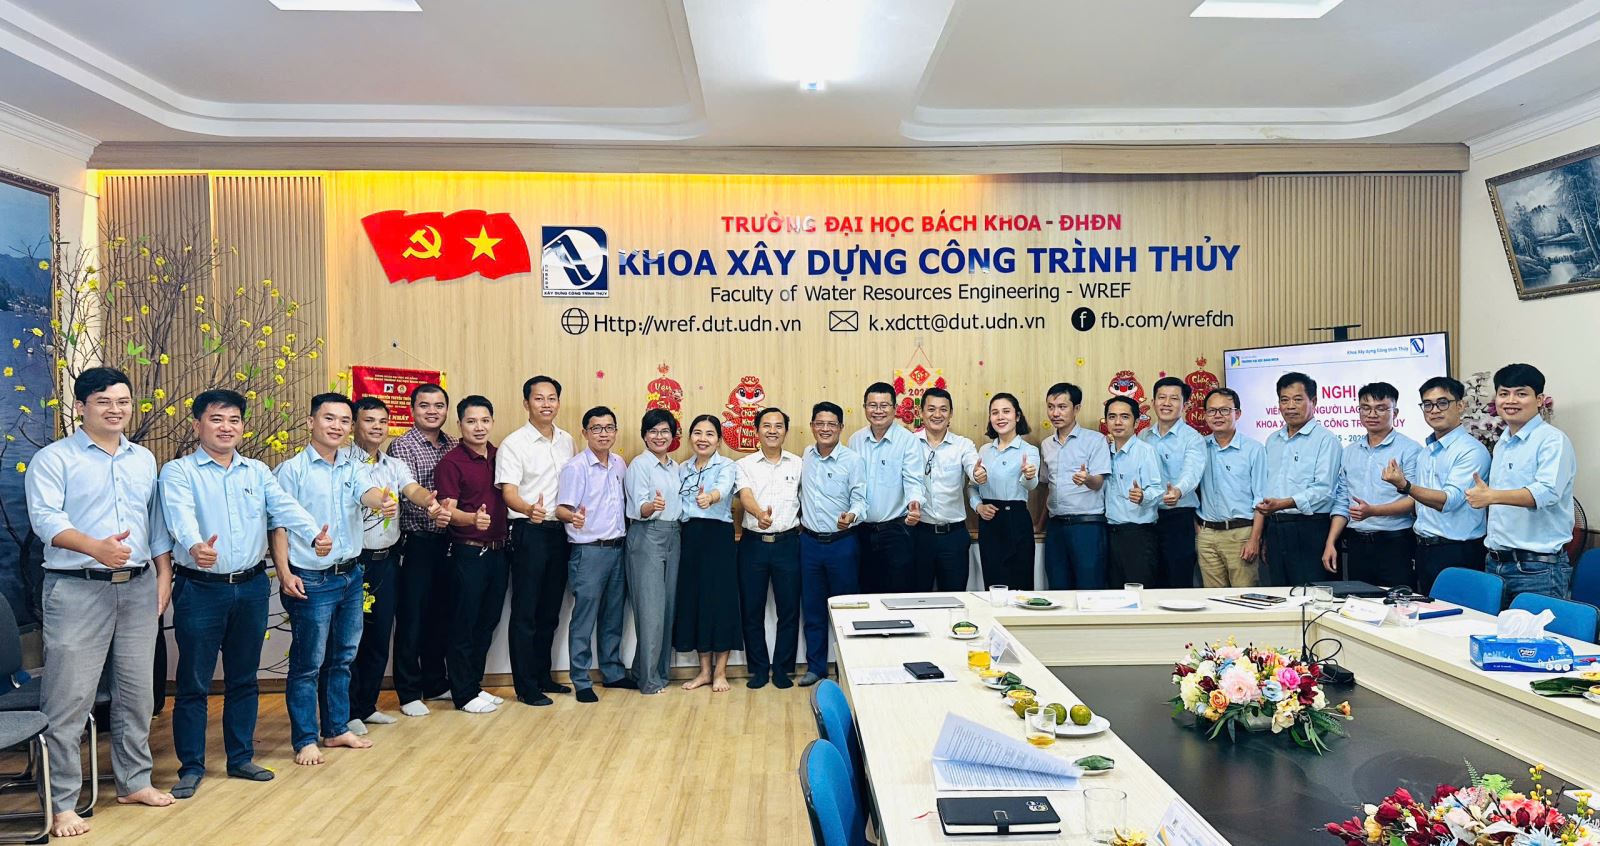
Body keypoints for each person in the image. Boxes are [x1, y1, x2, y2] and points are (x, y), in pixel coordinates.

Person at [25, 367, 175, 837]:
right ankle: (61, 804)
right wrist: (96, 548)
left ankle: (135, 782)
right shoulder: (54, 458)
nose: (116, 410)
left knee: (137, 694)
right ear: (81, 407)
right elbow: (45, 520)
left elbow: (154, 524)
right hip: (77, 588)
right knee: (69, 699)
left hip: (138, 587)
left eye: (123, 401)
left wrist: (164, 575)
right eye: (104, 401)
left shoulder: (142, 459)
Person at [160, 388, 331, 798]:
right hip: (200, 588)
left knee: (243, 678)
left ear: (242, 426)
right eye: (217, 419)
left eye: (234, 420)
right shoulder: (179, 471)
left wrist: (313, 533)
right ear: (197, 424)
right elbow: (179, 515)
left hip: (251, 587)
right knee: (194, 682)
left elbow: (283, 506)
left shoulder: (256, 471)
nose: (226, 427)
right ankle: (191, 767)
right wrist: (195, 544)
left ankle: (240, 758)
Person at [271, 393, 396, 766]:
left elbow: (367, 492)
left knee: (342, 658)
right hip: (310, 578)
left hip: (351, 575)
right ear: (311, 422)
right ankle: (305, 739)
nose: (337, 426)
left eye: (344, 420)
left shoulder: (354, 467)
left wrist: (382, 501)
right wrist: (284, 573)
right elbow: (278, 525)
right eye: (329, 418)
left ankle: (336, 728)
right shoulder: (292, 470)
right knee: (308, 664)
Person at [341, 396, 449, 735]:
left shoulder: (392, 464)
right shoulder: (342, 463)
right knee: (352, 640)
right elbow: (368, 496)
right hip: (354, 563)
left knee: (378, 637)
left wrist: (430, 502)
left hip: (386, 561)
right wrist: (380, 502)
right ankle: (347, 711)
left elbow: (412, 489)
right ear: (354, 425)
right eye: (369, 420)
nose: (377, 427)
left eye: (382, 421)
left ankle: (367, 706)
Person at [494, 375, 576, 706]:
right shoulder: (514, 444)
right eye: (539, 398)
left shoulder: (567, 440)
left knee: (550, 611)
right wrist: (529, 509)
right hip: (528, 531)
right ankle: (525, 686)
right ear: (526, 403)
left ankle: (543, 676)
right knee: (525, 611)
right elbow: (508, 493)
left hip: (560, 532)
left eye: (552, 398)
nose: (546, 404)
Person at [1466, 364, 1577, 601]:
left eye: (1521, 393)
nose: (1511, 400)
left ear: (1539, 400)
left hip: (1538, 569)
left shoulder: (1552, 440)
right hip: (1495, 563)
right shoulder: (1503, 442)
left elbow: (1547, 492)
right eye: (1504, 393)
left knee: (1538, 627)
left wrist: (1492, 496)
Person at [1380, 377, 1491, 595]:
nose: (1434, 410)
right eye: (1428, 404)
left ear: (1460, 405)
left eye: (1442, 403)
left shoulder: (1471, 450)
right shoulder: (1426, 451)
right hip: (1424, 549)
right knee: (1429, 613)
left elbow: (1449, 501)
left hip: (1458, 551)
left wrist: (1406, 486)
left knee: (1459, 614)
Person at [434, 395, 509, 714]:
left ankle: (474, 685)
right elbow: (446, 512)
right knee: (463, 624)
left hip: (499, 551)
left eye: (484, 420)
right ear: (460, 424)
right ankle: (462, 693)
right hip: (467, 552)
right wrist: (471, 519)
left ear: (492, 422)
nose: (479, 427)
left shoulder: (500, 455)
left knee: (487, 622)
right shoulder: (451, 463)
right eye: (471, 421)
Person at [386, 383, 457, 717]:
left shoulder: (453, 444)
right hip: (417, 541)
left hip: (449, 540)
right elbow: (406, 493)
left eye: (439, 405)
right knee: (412, 618)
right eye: (425, 405)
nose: (432, 411)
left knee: (440, 615)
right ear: (412, 409)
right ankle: (409, 691)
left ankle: (435, 682)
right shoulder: (402, 445)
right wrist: (435, 511)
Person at [556, 406, 630, 703]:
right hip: (588, 552)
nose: (603, 433)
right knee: (584, 618)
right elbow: (561, 509)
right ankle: (581, 679)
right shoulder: (576, 467)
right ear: (585, 433)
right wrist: (572, 517)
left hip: (618, 549)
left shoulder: (620, 463)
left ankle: (612, 673)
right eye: (596, 428)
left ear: (615, 432)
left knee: (613, 615)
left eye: (609, 428)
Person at [1321, 383, 1422, 588]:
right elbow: (1342, 501)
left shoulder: (1410, 450)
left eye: (1381, 408)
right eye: (1365, 408)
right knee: (1360, 601)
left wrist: (1373, 511)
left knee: (1398, 602)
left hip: (1396, 543)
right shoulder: (1350, 451)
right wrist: (1331, 542)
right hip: (1356, 544)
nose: (1372, 414)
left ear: (1395, 412)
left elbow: (1415, 500)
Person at [734, 407, 803, 690]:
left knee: (789, 611)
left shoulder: (798, 464)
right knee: (752, 610)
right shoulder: (744, 464)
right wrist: (759, 514)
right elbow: (745, 495)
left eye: (778, 426)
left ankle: (783, 669)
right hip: (753, 544)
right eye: (766, 425)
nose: (772, 431)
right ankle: (759, 669)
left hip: (788, 543)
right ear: (757, 430)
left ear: (785, 431)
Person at [797, 402, 865, 687]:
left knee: (846, 610)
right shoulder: (806, 456)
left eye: (831, 424)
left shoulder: (852, 460)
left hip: (842, 544)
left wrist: (852, 515)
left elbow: (861, 499)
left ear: (840, 427)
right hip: (809, 544)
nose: (825, 429)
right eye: (820, 423)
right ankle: (816, 668)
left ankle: (847, 669)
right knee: (813, 610)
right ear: (812, 426)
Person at [674, 415, 742, 692]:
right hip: (690, 537)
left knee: (721, 602)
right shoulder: (682, 468)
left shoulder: (727, 465)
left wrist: (710, 497)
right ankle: (704, 672)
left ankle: (721, 672)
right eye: (698, 433)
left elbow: (722, 490)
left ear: (719, 440)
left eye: (710, 434)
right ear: (690, 437)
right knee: (696, 601)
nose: (703, 439)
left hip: (718, 537)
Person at [1256, 372, 1342, 587]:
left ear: (1313, 401)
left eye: (1297, 399)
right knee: (1280, 593)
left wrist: (1284, 503)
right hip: (1276, 528)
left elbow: (1324, 490)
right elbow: (1267, 487)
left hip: (1310, 530)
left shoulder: (1326, 440)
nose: (1290, 406)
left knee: (1311, 594)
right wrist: (1266, 533)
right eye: (1284, 400)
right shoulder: (1272, 440)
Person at [623, 409, 681, 695]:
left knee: (667, 608)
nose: (659, 436)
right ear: (644, 436)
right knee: (650, 611)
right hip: (647, 535)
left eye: (664, 431)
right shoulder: (640, 465)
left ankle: (653, 672)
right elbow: (639, 507)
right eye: (653, 431)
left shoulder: (675, 466)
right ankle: (648, 681)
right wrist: (651, 507)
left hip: (674, 535)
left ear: (673, 435)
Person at [846, 382, 925, 593]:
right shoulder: (855, 440)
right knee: (865, 592)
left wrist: (915, 503)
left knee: (897, 594)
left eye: (884, 405)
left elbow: (913, 480)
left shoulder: (908, 440)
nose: (878, 411)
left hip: (896, 532)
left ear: (895, 408)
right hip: (861, 531)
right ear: (865, 407)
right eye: (872, 405)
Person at [1038, 383, 1110, 589]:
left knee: (1090, 588)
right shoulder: (1046, 444)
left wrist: (1087, 479)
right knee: (1058, 588)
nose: (1055, 413)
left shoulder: (1095, 440)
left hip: (1087, 526)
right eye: (1051, 407)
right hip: (1056, 527)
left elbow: (1098, 483)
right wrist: (1040, 524)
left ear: (1076, 408)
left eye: (1062, 407)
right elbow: (1049, 487)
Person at [1195, 388, 1267, 588]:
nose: (1217, 416)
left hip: (1241, 534)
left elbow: (1261, 499)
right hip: (1206, 535)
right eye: (1212, 411)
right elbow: (1190, 490)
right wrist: (1198, 530)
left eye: (1225, 410)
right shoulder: (1199, 447)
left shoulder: (1254, 450)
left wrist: (1254, 539)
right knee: (1212, 600)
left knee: (1244, 598)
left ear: (1238, 414)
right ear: (1205, 415)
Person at [1141, 377, 1206, 588]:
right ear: (1153, 402)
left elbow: (1192, 472)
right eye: (1162, 397)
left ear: (1185, 405)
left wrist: (1178, 491)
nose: (1166, 403)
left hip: (1179, 518)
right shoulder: (1143, 436)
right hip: (1147, 519)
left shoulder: (1193, 438)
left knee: (1178, 580)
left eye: (1174, 398)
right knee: (1150, 581)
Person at [971, 393, 1040, 590]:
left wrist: (1028, 475)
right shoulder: (984, 450)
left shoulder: (1029, 450)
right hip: (989, 522)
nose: (1000, 417)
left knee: (1021, 585)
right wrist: (978, 506)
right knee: (993, 584)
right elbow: (972, 486)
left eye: (1006, 411)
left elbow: (1031, 485)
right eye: (995, 413)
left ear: (1017, 416)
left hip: (1017, 519)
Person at [913, 388, 979, 592]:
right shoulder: (909, 443)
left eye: (943, 409)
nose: (937, 414)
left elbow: (973, 466)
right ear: (921, 412)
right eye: (931, 409)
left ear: (951, 414)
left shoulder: (963, 445)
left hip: (954, 536)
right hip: (918, 535)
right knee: (917, 597)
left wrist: (978, 473)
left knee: (954, 598)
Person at [1103, 396, 1163, 587]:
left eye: (1124, 417)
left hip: (1138, 535)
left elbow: (1157, 489)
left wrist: (1143, 496)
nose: (1117, 422)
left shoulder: (1145, 451)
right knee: (1112, 594)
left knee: (1138, 592)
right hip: (1109, 533)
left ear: (1136, 422)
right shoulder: (1103, 451)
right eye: (1112, 417)